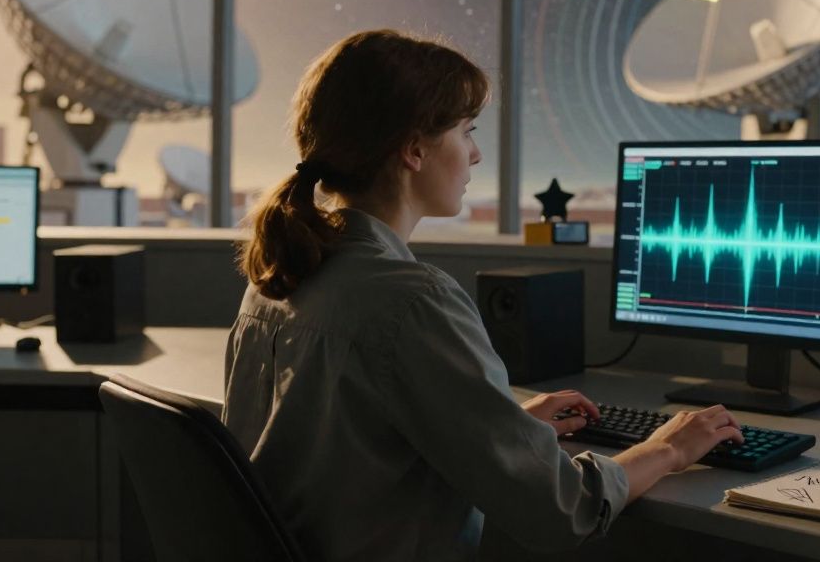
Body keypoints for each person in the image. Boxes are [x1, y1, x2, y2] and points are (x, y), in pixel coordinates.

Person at [223, 29, 743, 562]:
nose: (474, 154)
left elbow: (351, 446)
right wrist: (668, 448)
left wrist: (505, 427)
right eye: (466, 132)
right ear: (414, 150)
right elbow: (564, 510)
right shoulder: (412, 300)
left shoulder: (274, 279)